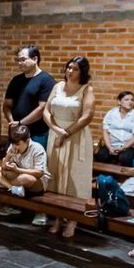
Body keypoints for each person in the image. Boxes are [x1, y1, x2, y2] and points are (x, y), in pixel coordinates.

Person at [43, 56, 96, 239]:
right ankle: (57, 217)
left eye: (74, 69)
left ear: (82, 72)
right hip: (56, 133)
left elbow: (87, 116)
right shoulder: (57, 86)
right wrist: (57, 130)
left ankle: (73, 220)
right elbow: (46, 111)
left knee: (73, 178)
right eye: (68, 68)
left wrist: (66, 133)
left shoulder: (86, 89)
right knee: (56, 175)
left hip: (76, 135)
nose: (70, 71)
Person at [0, 123, 49, 216]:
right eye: (13, 144)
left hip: (36, 182)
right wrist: (7, 157)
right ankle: (11, 188)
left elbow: (39, 173)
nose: (15, 147)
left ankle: (0, 183)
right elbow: (4, 169)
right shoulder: (13, 146)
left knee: (25, 177)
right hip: (17, 178)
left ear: (27, 141)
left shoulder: (37, 148)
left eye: (18, 144)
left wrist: (18, 170)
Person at [3, 45, 56, 148]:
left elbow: (41, 109)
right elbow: (7, 105)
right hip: (16, 132)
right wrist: (12, 122)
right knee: (10, 161)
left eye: (23, 60)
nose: (19, 63)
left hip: (37, 133)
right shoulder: (16, 80)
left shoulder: (46, 80)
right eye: (18, 60)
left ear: (35, 59)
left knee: (35, 162)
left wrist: (21, 123)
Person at [97, 90, 134, 165]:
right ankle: (105, 176)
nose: (130, 102)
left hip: (130, 146)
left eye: (132, 100)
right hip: (113, 145)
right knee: (101, 155)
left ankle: (122, 176)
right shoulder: (111, 113)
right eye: (126, 100)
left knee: (124, 157)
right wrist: (109, 147)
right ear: (119, 102)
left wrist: (123, 148)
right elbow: (105, 131)